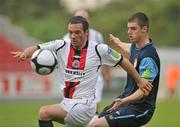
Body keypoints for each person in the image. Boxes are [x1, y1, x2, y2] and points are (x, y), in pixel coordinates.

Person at [11, 16, 152, 127]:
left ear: (86, 33)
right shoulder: (61, 45)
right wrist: (25, 53)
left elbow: (123, 60)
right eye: (70, 32)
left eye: (77, 32)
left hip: (84, 106)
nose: (73, 36)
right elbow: (37, 47)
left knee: (44, 112)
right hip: (66, 103)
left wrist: (139, 80)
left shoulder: (98, 49)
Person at [90, 12, 160, 127]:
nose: (129, 32)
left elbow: (144, 90)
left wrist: (124, 100)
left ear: (144, 29)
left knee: (96, 125)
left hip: (140, 109)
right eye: (128, 28)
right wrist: (118, 43)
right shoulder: (137, 47)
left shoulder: (149, 56)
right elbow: (129, 48)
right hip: (127, 103)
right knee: (99, 119)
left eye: (133, 28)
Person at [63, 9, 111, 119]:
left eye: (84, 18)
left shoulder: (97, 36)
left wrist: (107, 74)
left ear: (88, 21)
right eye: (78, 18)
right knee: (74, 109)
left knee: (95, 106)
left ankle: (94, 120)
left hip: (96, 76)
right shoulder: (66, 38)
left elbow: (104, 56)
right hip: (76, 79)